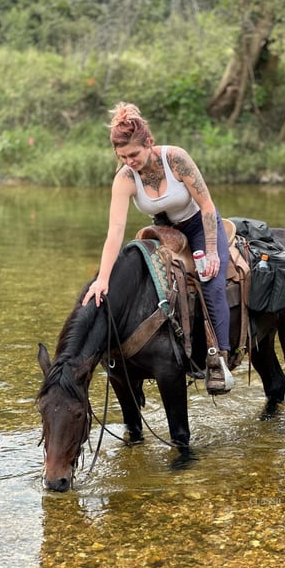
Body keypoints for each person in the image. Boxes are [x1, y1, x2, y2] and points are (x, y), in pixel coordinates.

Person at [81, 102, 235, 395]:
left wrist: (213, 251)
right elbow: (115, 231)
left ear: (149, 143)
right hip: (163, 230)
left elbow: (206, 205)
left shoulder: (176, 158)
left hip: (199, 223)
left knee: (211, 281)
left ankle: (220, 357)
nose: (129, 161)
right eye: (123, 156)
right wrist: (102, 279)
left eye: (134, 154)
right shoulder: (125, 178)